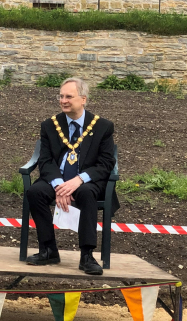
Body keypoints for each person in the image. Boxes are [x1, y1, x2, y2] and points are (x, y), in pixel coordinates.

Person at [25, 77, 118, 275]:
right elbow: (45, 160)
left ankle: (87, 256)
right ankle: (48, 250)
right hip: (57, 179)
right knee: (35, 192)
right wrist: (60, 185)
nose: (63, 100)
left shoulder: (102, 126)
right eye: (61, 96)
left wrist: (78, 180)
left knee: (86, 193)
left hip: (86, 180)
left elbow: (106, 163)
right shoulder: (50, 125)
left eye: (69, 96)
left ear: (83, 99)